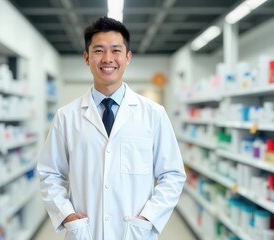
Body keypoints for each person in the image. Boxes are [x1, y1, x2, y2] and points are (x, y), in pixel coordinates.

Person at [37, 16, 186, 240]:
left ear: (127, 57)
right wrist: (67, 215)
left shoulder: (154, 114)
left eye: (116, 50)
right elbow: (50, 174)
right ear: (87, 58)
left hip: (134, 232)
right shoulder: (66, 116)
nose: (108, 58)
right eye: (98, 50)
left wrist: (148, 218)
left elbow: (172, 174)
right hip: (86, 232)